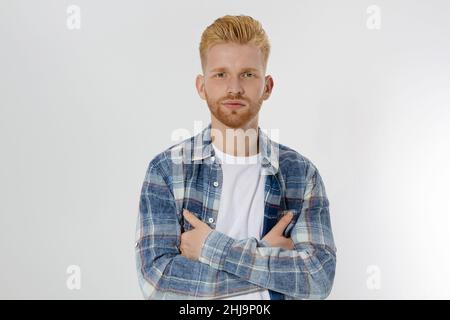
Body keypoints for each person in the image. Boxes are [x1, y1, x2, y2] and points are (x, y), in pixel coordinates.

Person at [135, 14, 336, 300]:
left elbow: (318, 280)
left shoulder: (301, 175)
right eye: (220, 74)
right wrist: (266, 256)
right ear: (201, 86)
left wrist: (210, 248)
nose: (234, 88)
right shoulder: (167, 171)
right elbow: (158, 283)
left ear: (267, 87)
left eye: (247, 74)